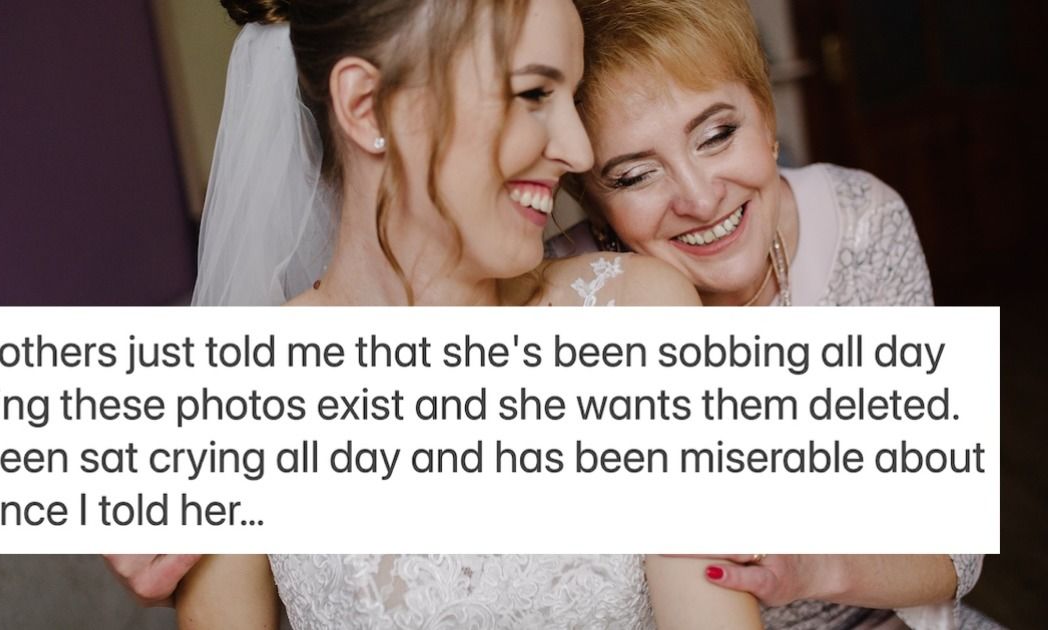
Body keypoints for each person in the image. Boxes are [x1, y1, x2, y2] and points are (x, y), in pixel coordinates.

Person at [172, 0, 762, 628]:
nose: (578, 151)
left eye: (571, 96)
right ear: (367, 106)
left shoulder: (641, 315)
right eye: (533, 93)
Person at [544, 0, 990, 628]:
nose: (700, 199)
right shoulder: (565, 298)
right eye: (637, 175)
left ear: (769, 117)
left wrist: (811, 569)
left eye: (717, 135)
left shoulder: (862, 220)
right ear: (590, 198)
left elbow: (956, 553)